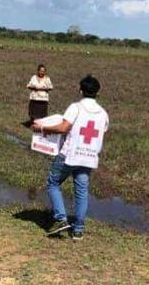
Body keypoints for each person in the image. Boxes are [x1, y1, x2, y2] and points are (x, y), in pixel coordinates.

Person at [31, 75, 109, 240]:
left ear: (80, 90)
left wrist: (42, 127)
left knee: (53, 183)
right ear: (98, 92)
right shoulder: (103, 113)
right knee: (81, 191)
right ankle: (78, 229)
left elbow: (64, 127)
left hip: (70, 155)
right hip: (88, 157)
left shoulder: (76, 107)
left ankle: (61, 219)